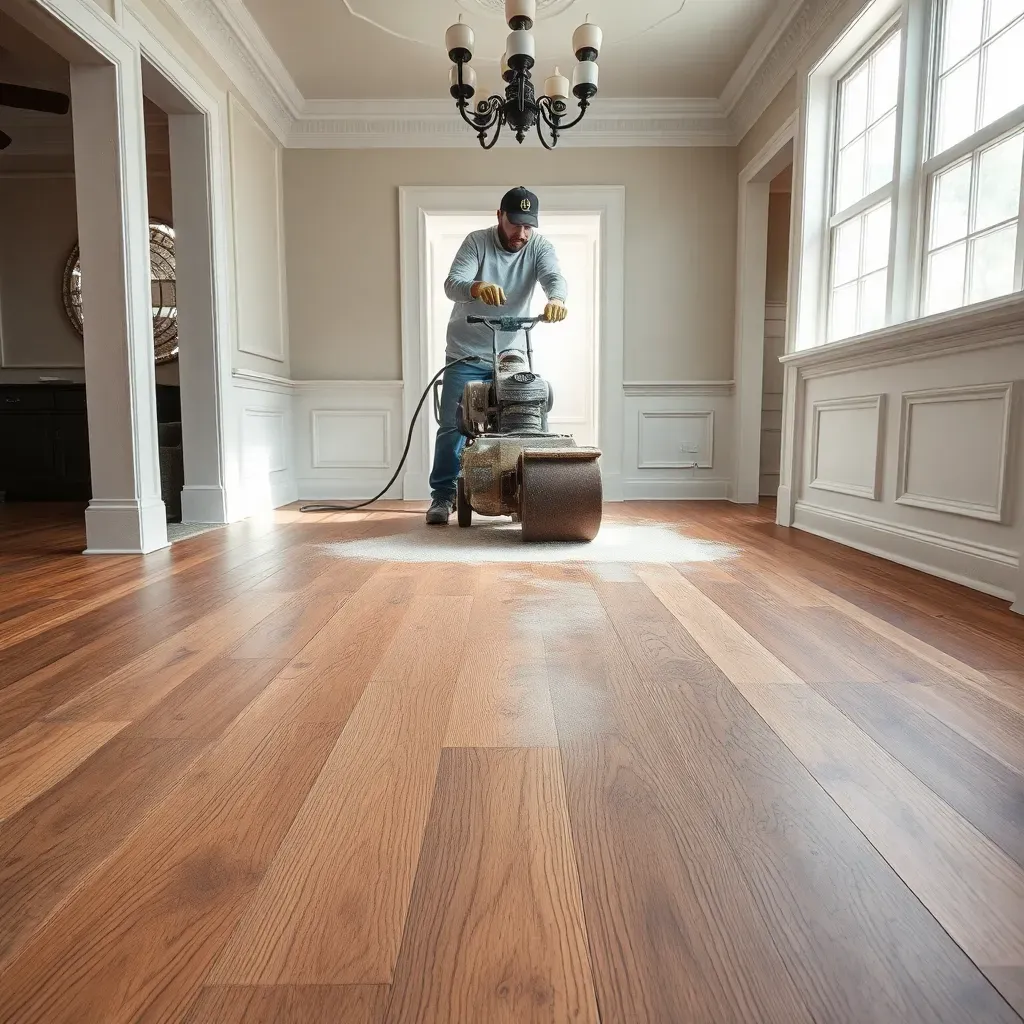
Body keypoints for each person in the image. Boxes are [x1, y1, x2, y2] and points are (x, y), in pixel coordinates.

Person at [425, 186, 568, 525]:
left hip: (511, 352)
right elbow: (452, 283)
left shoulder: (539, 247)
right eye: (515, 224)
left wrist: (557, 299)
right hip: (467, 352)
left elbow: (553, 277)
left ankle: (521, 489)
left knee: (524, 421)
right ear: (499, 216)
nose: (521, 233)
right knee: (453, 426)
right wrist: (474, 287)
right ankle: (443, 496)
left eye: (528, 226)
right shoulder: (477, 242)